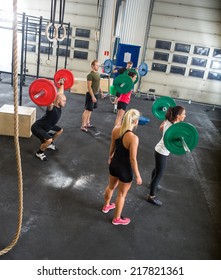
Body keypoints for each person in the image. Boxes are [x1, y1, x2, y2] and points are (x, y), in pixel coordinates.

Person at [102, 109, 142, 226]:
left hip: (114, 165)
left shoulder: (115, 129)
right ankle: (117, 219)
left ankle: (106, 206)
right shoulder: (133, 138)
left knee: (110, 186)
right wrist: (138, 176)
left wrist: (110, 157)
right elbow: (133, 159)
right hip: (125, 170)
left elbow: (112, 146)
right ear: (135, 122)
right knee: (121, 195)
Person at [147, 106, 186, 206]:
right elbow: (174, 139)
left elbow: (161, 128)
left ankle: (151, 185)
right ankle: (151, 196)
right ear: (178, 116)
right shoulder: (173, 126)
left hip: (159, 149)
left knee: (157, 169)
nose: (185, 116)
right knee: (159, 174)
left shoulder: (169, 120)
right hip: (162, 152)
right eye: (183, 114)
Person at [31, 79, 66, 161]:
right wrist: (49, 88)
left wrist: (61, 84)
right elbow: (49, 101)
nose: (65, 102)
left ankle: (49, 144)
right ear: (58, 101)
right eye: (64, 101)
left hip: (48, 126)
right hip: (37, 128)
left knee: (60, 130)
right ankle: (39, 153)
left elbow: (60, 93)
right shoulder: (51, 107)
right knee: (48, 139)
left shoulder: (59, 104)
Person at [81, 59, 103, 132]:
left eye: (98, 65)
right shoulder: (90, 75)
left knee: (91, 110)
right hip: (90, 95)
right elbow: (89, 87)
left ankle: (87, 123)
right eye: (97, 65)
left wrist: (101, 91)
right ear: (92, 66)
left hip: (96, 94)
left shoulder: (98, 74)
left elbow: (98, 84)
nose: (98, 66)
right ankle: (83, 125)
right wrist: (93, 96)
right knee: (87, 110)